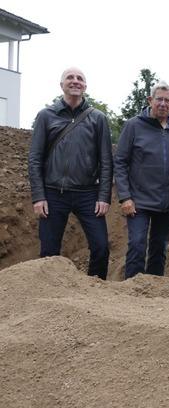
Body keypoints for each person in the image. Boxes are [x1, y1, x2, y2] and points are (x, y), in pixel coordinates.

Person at [28, 67, 113, 280]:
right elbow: (35, 158)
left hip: (88, 194)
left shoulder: (98, 118)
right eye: (70, 78)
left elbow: (106, 161)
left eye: (80, 78)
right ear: (61, 85)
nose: (75, 81)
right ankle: (49, 293)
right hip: (53, 193)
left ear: (85, 86)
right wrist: (39, 197)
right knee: (48, 251)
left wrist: (103, 196)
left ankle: (96, 290)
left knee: (101, 247)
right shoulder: (46, 116)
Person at [114, 80, 169, 279]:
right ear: (150, 100)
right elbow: (120, 162)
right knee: (137, 244)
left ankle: (154, 290)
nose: (163, 104)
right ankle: (132, 288)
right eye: (159, 99)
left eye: (167, 100)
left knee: (159, 248)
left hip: (167, 203)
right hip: (139, 201)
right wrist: (125, 197)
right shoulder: (133, 126)